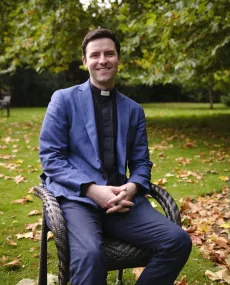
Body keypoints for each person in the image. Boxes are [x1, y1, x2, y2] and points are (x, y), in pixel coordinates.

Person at [39, 28, 192, 285]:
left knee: (177, 242)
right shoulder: (63, 100)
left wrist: (132, 187)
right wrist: (91, 189)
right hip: (77, 199)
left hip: (122, 202)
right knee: (89, 254)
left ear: (118, 59)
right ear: (85, 61)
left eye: (109, 53)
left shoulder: (133, 110)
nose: (103, 60)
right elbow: (51, 156)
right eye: (95, 55)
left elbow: (142, 162)